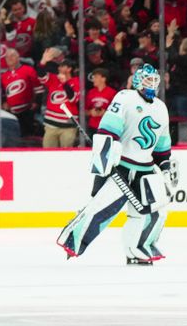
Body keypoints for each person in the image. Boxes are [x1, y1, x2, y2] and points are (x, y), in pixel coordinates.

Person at [56, 64, 176, 265]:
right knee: (102, 208)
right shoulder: (125, 98)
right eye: (147, 80)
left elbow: (162, 145)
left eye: (154, 81)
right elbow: (107, 130)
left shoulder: (161, 107)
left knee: (153, 212)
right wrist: (104, 160)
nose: (152, 85)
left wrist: (164, 168)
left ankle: (138, 248)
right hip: (121, 166)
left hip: (145, 169)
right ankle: (73, 240)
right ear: (137, 81)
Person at [37, 48, 79, 148]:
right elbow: (41, 76)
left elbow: (73, 99)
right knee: (48, 154)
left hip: (68, 127)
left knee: (66, 156)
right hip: (51, 125)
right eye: (59, 66)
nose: (59, 68)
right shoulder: (54, 79)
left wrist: (65, 83)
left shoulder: (76, 81)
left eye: (62, 66)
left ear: (69, 69)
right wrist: (43, 61)